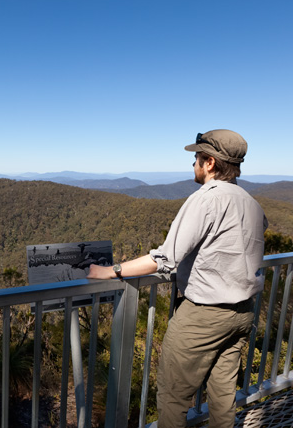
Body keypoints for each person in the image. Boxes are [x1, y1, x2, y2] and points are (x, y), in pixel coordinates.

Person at [86, 129, 267, 428]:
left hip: (203, 316)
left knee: (172, 396)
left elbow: (165, 258)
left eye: (196, 158)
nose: (193, 164)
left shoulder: (206, 200)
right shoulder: (251, 203)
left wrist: (109, 271)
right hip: (243, 313)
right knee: (222, 394)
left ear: (209, 163)